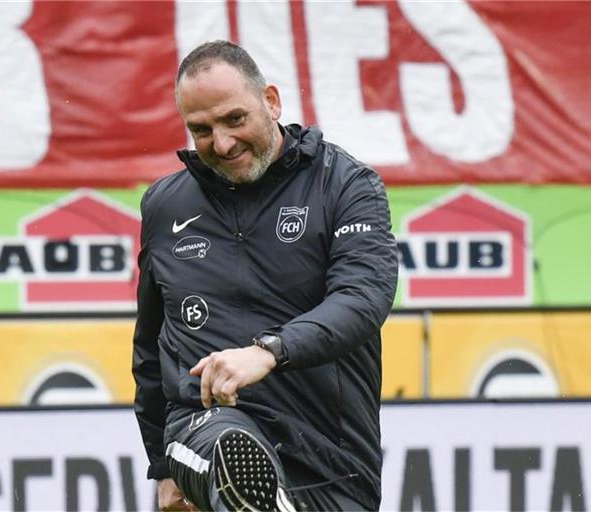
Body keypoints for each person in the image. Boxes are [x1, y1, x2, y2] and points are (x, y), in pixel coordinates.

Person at [132, 40, 398, 511]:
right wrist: (163, 466)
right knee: (228, 451)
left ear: (271, 102)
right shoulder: (165, 205)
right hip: (210, 432)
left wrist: (271, 351)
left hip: (332, 462)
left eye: (235, 120)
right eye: (201, 129)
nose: (223, 142)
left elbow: (363, 298)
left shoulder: (346, 184)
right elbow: (152, 348)